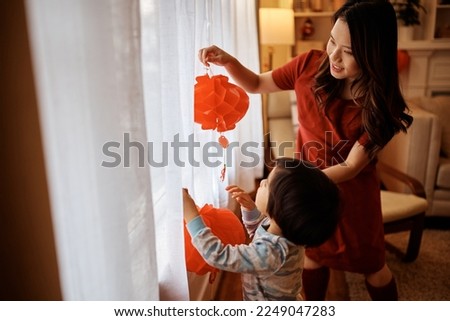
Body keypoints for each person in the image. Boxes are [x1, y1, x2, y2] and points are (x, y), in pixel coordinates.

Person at [197, 0, 412, 300]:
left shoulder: (381, 108)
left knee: (373, 266)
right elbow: (258, 83)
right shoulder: (307, 65)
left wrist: (291, 185)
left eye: (348, 52)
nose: (334, 56)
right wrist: (229, 62)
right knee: (310, 256)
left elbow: (351, 167)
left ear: (373, 54)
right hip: (302, 195)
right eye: (332, 41)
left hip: (352, 196)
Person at [183, 158, 340, 301]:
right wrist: (251, 209)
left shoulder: (272, 252)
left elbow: (218, 255)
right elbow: (261, 233)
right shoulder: (288, 233)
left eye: (267, 184)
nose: (262, 181)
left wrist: (192, 216)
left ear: (279, 209)